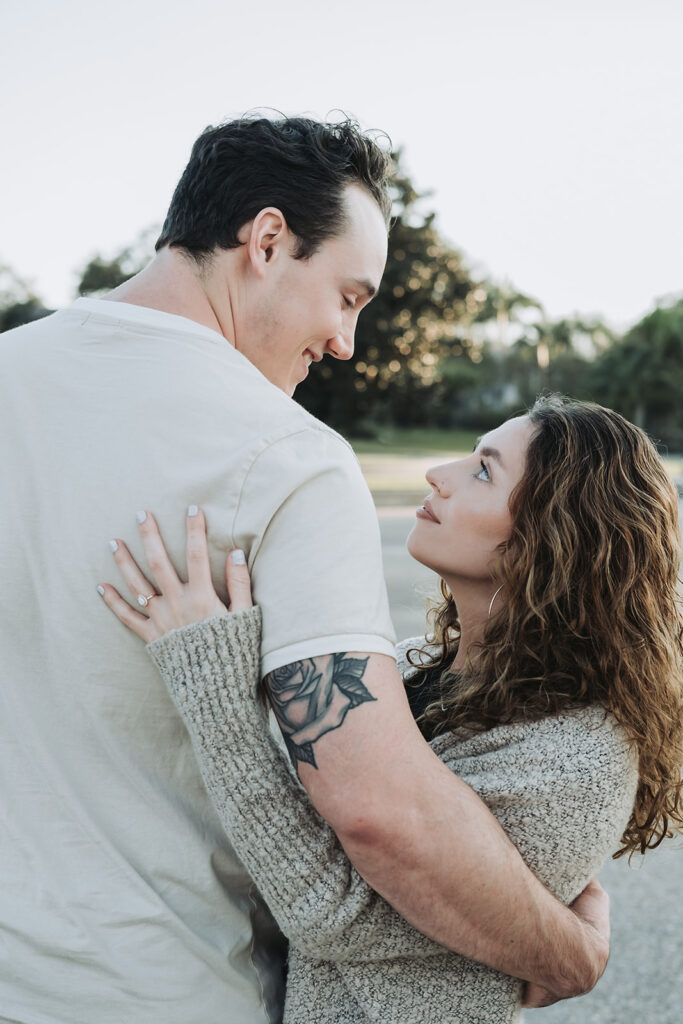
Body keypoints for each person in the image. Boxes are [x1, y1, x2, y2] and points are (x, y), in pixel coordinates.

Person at [0, 114, 607, 1024]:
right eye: (347, 297)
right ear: (267, 241)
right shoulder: (288, 457)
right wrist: (566, 951)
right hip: (162, 988)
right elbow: (376, 812)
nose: (345, 341)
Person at [99, 396, 683, 1022]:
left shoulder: (580, 756)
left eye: (483, 471)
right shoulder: (410, 664)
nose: (439, 474)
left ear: (550, 540)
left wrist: (212, 678)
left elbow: (333, 910)